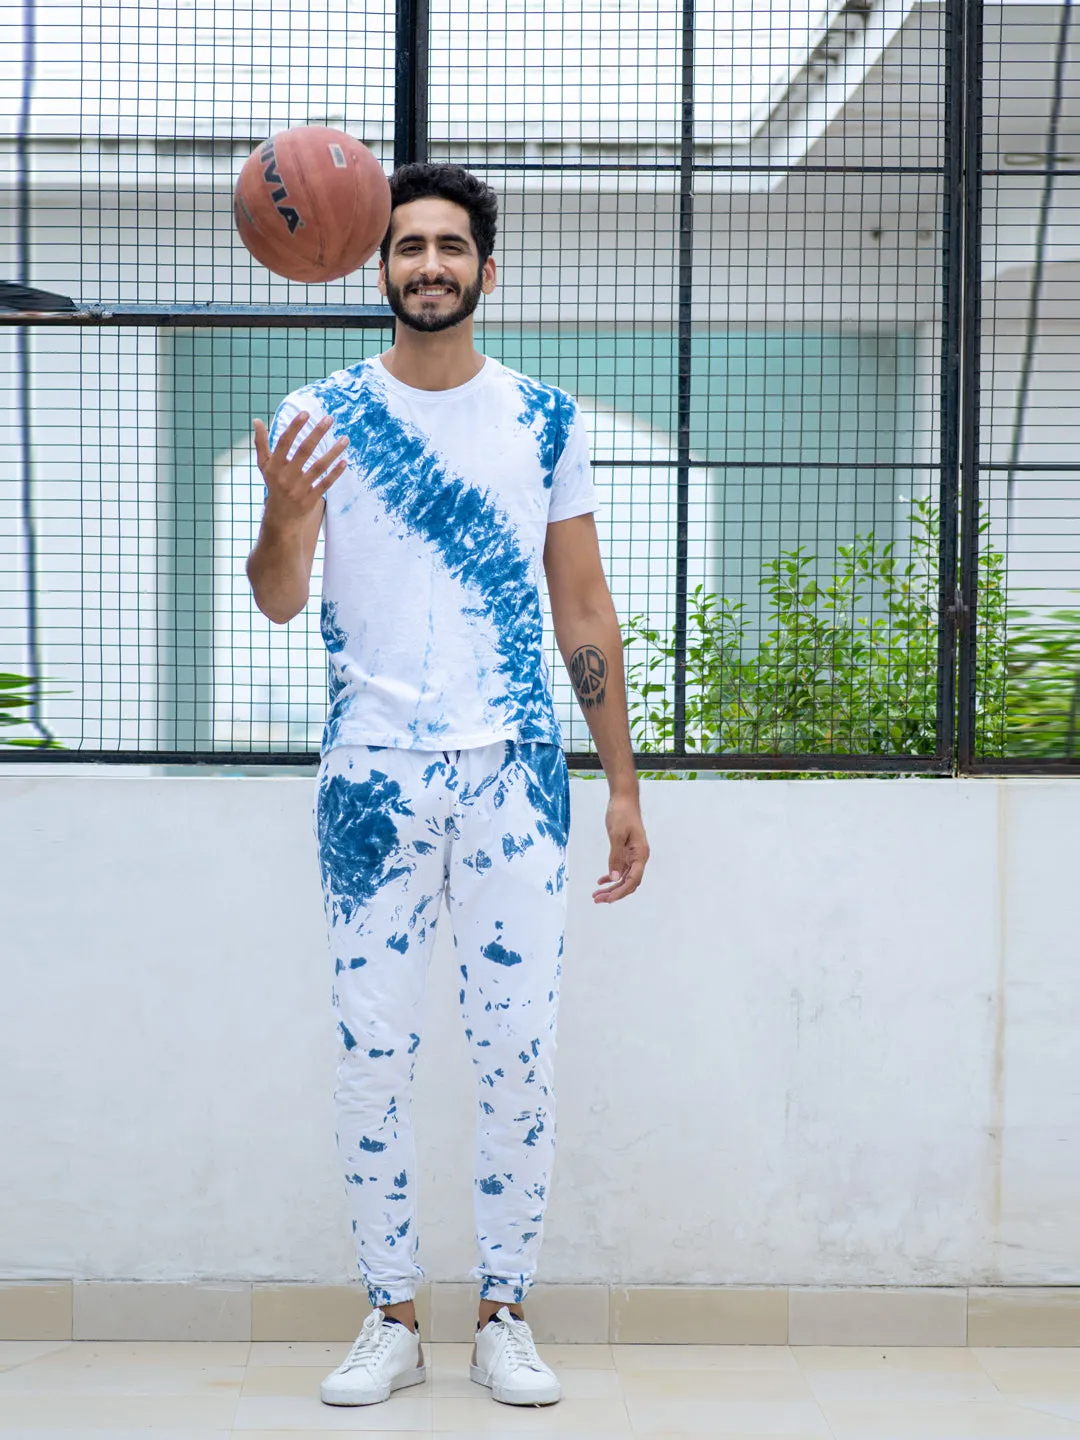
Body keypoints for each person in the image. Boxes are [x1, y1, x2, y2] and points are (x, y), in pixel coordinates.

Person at [247, 163, 649, 1409]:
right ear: (378, 264)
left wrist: (623, 784)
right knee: (374, 1050)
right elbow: (275, 597)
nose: (429, 264)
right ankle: (390, 1315)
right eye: (409, 245)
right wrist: (284, 516)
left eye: (450, 246)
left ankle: (504, 1313)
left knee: (516, 1054)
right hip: (370, 776)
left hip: (518, 774)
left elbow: (581, 606)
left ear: (486, 268)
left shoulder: (545, 419)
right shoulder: (317, 417)